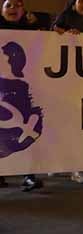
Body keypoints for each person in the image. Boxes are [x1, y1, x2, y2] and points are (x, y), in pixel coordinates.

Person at [1, 40, 43, 191]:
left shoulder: (23, 84)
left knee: (30, 147)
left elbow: (33, 109)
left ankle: (29, 176)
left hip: (19, 125)